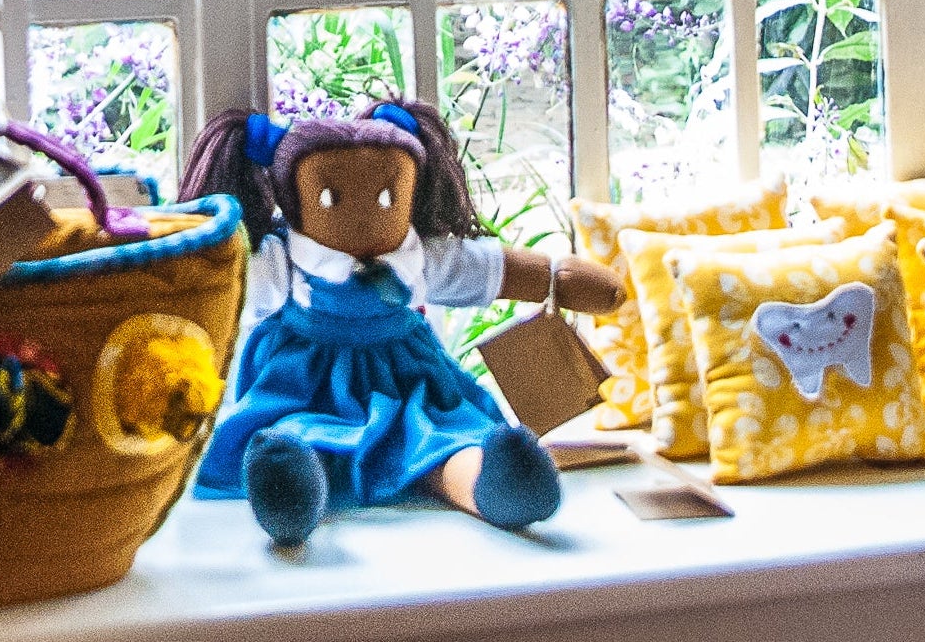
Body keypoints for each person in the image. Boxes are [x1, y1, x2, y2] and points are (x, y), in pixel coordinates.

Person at [181, 99, 621, 546]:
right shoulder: (283, 259)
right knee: (295, 435)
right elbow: (215, 286)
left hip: (410, 382)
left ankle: (492, 484)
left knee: (441, 438)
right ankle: (292, 493)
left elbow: (490, 269)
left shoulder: (417, 255)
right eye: (330, 198)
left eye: (388, 197)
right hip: (302, 385)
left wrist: (555, 279)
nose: (367, 215)